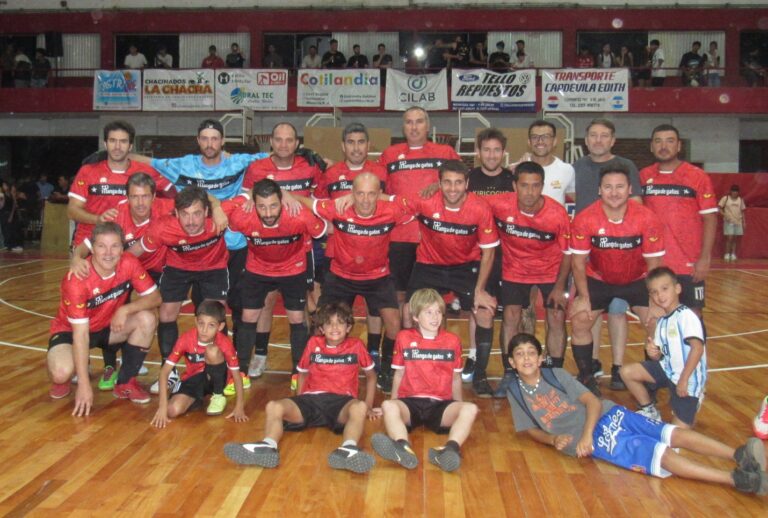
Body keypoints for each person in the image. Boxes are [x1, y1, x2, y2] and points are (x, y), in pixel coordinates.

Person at [504, 333, 767, 496]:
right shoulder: (515, 392)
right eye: (519, 354)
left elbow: (593, 402)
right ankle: (736, 480)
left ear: (540, 358)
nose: (526, 358)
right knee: (660, 455)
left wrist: (585, 435)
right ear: (512, 363)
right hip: (598, 440)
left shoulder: (556, 375)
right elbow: (530, 429)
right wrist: (552, 440)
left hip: (608, 416)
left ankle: (738, 454)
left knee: (671, 434)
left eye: (531, 353)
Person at [130, 119, 270, 384]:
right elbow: (148, 162)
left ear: (223, 141)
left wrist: (315, 158)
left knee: (232, 308)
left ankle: (232, 365)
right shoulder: (183, 165)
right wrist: (113, 155)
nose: (210, 144)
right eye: (204, 139)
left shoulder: (237, 162)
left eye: (215, 139)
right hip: (190, 248)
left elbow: (273, 156)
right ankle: (172, 370)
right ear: (197, 141)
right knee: (183, 310)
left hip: (231, 247)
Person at [290, 173, 411, 395]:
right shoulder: (338, 208)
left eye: (372, 194)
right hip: (341, 276)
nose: (365, 200)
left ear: (379, 194)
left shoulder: (391, 211)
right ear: (352, 193)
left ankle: (386, 371)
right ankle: (314, 370)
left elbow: (415, 205)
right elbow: (308, 202)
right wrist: (286, 195)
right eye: (360, 193)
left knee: (394, 323)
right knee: (320, 322)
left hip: (377, 276)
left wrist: (387, 198)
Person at [224, 302, 379, 473]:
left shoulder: (356, 346)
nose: (334, 327)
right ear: (321, 328)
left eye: (340, 322)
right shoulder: (313, 343)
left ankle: (348, 450)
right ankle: (268, 445)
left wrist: (369, 406)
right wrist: (300, 399)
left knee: (360, 407)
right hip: (311, 400)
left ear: (348, 327)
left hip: (341, 403)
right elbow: (303, 373)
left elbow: (371, 376)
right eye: (329, 323)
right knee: (273, 406)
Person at [397, 160, 500, 397]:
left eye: (458, 183)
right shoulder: (424, 200)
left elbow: (489, 252)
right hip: (429, 264)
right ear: (439, 183)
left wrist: (480, 290)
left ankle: (479, 372)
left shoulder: (479, 208)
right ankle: (413, 367)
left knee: (483, 310)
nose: (453, 188)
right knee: (407, 312)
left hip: (466, 266)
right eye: (447, 182)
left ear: (467, 184)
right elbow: (389, 201)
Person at [569, 163, 665, 396]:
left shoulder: (647, 218)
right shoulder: (585, 218)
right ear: (599, 190)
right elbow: (578, 262)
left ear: (630, 189)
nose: (614, 192)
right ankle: (586, 375)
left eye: (620, 187)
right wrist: (583, 296)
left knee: (657, 321)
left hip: (637, 278)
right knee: (581, 319)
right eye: (608, 187)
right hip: (598, 278)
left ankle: (650, 377)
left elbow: (654, 264)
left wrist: (654, 301)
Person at [242, 122, 325, 388]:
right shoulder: (257, 169)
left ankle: (307, 360)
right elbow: (247, 201)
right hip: (265, 247)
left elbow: (319, 203)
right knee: (265, 303)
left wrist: (294, 201)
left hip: (301, 247)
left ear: (298, 143)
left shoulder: (310, 166)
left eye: (289, 140)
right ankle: (261, 355)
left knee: (306, 306)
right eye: (278, 140)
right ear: (271, 141)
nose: (284, 145)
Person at [47, 222, 161, 415]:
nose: (108, 253)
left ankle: (126, 383)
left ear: (122, 247)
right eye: (101, 246)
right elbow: (81, 335)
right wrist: (84, 385)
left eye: (115, 246)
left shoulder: (129, 263)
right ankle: (62, 370)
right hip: (72, 332)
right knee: (61, 373)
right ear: (93, 248)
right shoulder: (76, 280)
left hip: (109, 328)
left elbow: (155, 297)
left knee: (147, 319)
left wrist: (125, 310)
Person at [225, 178, 326, 389]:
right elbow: (222, 212)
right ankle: (241, 372)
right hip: (257, 268)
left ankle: (298, 372)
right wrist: (243, 197)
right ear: (254, 204)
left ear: (282, 202)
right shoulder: (242, 217)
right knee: (248, 316)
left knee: (297, 317)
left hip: (293, 268)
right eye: (262, 206)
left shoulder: (298, 215)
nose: (268, 213)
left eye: (273, 205)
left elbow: (321, 230)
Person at [128, 187, 230, 394]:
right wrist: (108, 267)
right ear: (176, 214)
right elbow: (135, 251)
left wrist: (219, 205)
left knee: (215, 315)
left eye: (196, 214)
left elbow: (250, 198)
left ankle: (220, 368)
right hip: (178, 267)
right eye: (185, 214)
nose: (191, 221)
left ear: (207, 213)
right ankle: (170, 370)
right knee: (165, 313)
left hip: (213, 267)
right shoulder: (162, 228)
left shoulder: (220, 218)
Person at [371, 288, 479, 472]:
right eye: (428, 312)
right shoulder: (404, 338)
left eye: (438, 312)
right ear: (415, 316)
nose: (435, 317)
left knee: (470, 409)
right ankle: (402, 447)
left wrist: (458, 409)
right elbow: (398, 375)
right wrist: (392, 405)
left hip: (440, 405)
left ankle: (449, 449)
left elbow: (455, 379)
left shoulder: (452, 341)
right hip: (409, 402)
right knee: (389, 406)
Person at [379, 106, 461, 339]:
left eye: (419, 122)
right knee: (400, 298)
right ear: (403, 127)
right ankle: (404, 351)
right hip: (399, 238)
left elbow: (462, 185)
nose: (414, 127)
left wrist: (441, 185)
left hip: (435, 239)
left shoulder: (445, 153)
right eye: (409, 122)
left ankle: (437, 348)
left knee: (435, 299)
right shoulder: (390, 154)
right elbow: (376, 193)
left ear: (428, 125)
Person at [572, 118, 643, 390]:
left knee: (616, 311)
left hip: (619, 251)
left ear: (613, 140)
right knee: (590, 311)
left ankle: (617, 365)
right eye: (593, 135)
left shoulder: (626, 167)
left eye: (604, 136)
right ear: (586, 140)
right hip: (585, 252)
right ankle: (590, 365)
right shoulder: (576, 167)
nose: (598, 140)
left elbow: (636, 205)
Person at [487, 161, 571, 386]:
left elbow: (568, 253)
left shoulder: (557, 213)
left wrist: (560, 286)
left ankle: (556, 372)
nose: (530, 192)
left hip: (551, 271)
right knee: (511, 317)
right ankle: (509, 372)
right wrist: (437, 187)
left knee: (556, 317)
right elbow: (467, 200)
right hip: (515, 270)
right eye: (524, 185)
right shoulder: (500, 204)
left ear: (542, 186)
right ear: (515, 186)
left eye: (535, 186)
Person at [313, 122, 388, 366]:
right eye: (351, 142)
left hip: (374, 253)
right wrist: (335, 226)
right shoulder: (331, 174)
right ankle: (335, 354)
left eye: (361, 142)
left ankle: (374, 351)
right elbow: (321, 209)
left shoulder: (381, 172)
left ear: (369, 145)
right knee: (335, 309)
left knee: (375, 309)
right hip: (339, 253)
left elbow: (389, 203)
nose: (356, 147)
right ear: (343, 146)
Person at [640, 124, 717, 319]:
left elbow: (710, 218)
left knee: (692, 316)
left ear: (679, 146)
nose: (663, 146)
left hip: (688, 263)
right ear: (651, 146)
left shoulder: (697, 176)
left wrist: (704, 258)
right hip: (655, 263)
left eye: (669, 141)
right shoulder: (643, 176)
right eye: (658, 141)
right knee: (657, 317)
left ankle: (697, 351)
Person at [620, 267, 706, 429]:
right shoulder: (663, 321)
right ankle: (649, 409)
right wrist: (654, 353)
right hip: (668, 370)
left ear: (677, 288)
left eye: (664, 289)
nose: (660, 295)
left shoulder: (686, 316)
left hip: (687, 378)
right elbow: (659, 356)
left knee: (677, 435)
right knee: (627, 372)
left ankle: (695, 398)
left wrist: (684, 380)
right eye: (654, 292)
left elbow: (697, 349)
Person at [68, 120, 174, 249]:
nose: (117, 146)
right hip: (90, 245)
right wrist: (98, 219)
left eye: (123, 141)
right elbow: (72, 211)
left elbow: (177, 194)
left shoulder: (147, 172)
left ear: (130, 146)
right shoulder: (88, 171)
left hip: (132, 245)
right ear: (105, 144)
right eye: (112, 141)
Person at [151, 300, 247, 426]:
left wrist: (239, 407)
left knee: (212, 350)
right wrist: (162, 407)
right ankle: (196, 399)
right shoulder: (185, 339)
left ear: (220, 327)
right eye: (201, 323)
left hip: (216, 380)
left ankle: (218, 395)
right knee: (172, 411)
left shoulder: (224, 343)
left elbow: (236, 375)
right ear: (196, 321)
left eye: (211, 325)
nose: (204, 330)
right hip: (194, 379)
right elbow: (164, 373)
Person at [71, 173, 174, 289]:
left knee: (154, 304)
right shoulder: (115, 217)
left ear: (154, 196)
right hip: (125, 268)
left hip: (158, 269)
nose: (140, 203)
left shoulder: (168, 208)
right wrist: (76, 259)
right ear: (127, 197)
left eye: (145, 196)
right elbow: (86, 245)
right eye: (134, 197)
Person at [522, 120, 575, 207]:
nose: (540, 141)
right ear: (529, 142)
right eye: (535, 137)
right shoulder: (518, 169)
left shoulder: (567, 170)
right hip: (524, 220)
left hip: (555, 220)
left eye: (545, 137)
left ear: (554, 141)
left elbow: (574, 198)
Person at [719, 184, 746, 262]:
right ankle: (727, 253)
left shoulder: (740, 200)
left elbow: (742, 211)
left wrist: (744, 222)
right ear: (730, 191)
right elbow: (719, 208)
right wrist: (725, 215)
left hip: (738, 221)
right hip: (729, 221)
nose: (735, 193)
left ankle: (733, 253)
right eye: (733, 191)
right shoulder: (725, 198)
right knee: (729, 237)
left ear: (738, 192)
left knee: (735, 238)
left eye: (736, 191)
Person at [0, 180, 24, 252]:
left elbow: (14, 205)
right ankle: (8, 245)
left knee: (11, 230)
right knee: (6, 230)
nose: (4, 187)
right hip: (4, 214)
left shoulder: (10, 194)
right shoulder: (3, 194)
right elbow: (1, 206)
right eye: (3, 185)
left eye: (5, 185)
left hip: (9, 214)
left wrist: (11, 215)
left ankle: (12, 245)